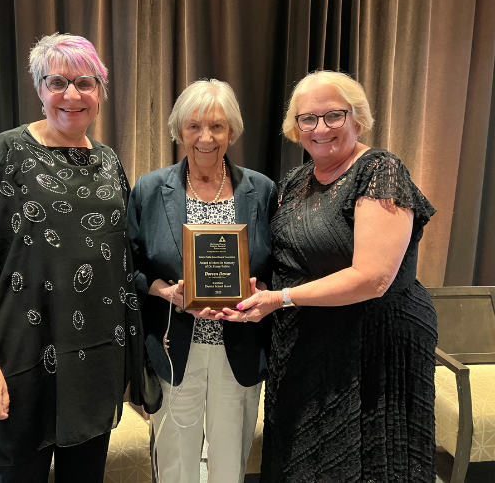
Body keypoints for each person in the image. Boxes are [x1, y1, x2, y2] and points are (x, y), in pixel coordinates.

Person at [0, 33, 158, 483]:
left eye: (85, 82)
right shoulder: (10, 151)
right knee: (18, 474)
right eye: (57, 81)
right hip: (25, 353)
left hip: (96, 356)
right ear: (40, 89)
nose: (72, 94)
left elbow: (120, 260)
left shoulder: (109, 161)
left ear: (100, 91)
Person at [221, 71, 438, 482]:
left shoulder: (380, 171)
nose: (320, 129)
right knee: (300, 460)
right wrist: (258, 290)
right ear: (295, 127)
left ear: (357, 118)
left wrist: (280, 299)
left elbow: (373, 277)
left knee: (371, 464)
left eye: (333, 115)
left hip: (372, 346)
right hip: (304, 346)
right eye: (308, 119)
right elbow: (285, 260)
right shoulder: (294, 181)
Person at [127, 79, 277, 483]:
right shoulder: (150, 189)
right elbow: (131, 268)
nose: (205, 138)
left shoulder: (261, 190)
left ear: (232, 131)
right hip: (176, 344)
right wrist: (166, 292)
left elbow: (278, 264)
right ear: (179, 131)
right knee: (176, 461)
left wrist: (262, 292)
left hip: (239, 343)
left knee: (231, 462)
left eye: (217, 126)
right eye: (194, 126)